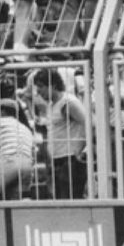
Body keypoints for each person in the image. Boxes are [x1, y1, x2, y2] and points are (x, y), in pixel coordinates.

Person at [32, 67, 88, 199]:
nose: (38, 91)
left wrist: (83, 149)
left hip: (70, 160)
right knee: (61, 202)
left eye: (41, 86)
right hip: (58, 160)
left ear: (53, 85)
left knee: (69, 201)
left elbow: (89, 124)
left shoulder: (68, 102)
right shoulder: (53, 105)